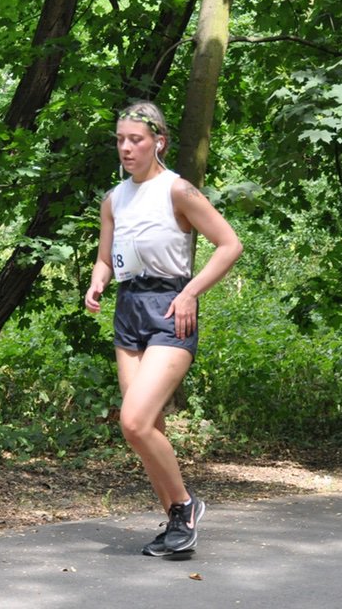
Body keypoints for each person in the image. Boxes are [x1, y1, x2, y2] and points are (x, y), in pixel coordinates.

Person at [84, 100, 242, 557]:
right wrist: (97, 281)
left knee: (133, 420)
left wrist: (191, 292)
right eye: (120, 139)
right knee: (145, 426)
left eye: (136, 139)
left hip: (171, 308)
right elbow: (105, 257)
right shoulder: (113, 199)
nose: (126, 148)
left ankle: (186, 507)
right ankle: (177, 521)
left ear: (159, 142)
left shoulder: (178, 190)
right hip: (129, 309)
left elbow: (230, 244)